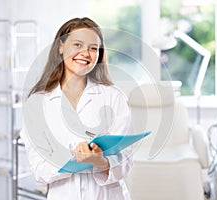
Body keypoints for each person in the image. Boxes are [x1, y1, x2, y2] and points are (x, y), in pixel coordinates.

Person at [20, 17, 133, 200]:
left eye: (93, 48)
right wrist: (75, 160)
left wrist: (101, 162)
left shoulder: (113, 97)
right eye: (77, 45)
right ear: (61, 47)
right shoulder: (37, 103)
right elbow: (39, 169)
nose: (85, 53)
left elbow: (126, 161)